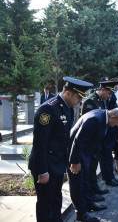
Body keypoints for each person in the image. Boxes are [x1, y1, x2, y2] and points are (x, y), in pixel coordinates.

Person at [28, 77, 93, 222]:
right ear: (68, 93)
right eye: (78, 97)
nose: (80, 101)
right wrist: (42, 171)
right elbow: (40, 143)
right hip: (46, 165)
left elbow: (64, 139)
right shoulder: (48, 109)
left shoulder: (67, 108)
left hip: (57, 164)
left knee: (56, 201)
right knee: (46, 205)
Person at [67, 108, 118, 222]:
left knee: (85, 181)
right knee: (77, 184)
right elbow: (78, 141)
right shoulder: (95, 119)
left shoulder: (103, 116)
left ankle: (89, 204)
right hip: (75, 154)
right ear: (113, 117)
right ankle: (81, 213)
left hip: (85, 153)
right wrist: (74, 162)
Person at [81, 78, 118, 202]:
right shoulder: (90, 102)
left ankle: (94, 188)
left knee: (94, 166)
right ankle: (90, 194)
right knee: (90, 168)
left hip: (98, 140)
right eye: (108, 93)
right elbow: (90, 124)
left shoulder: (102, 101)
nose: (109, 96)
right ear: (102, 90)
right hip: (90, 141)